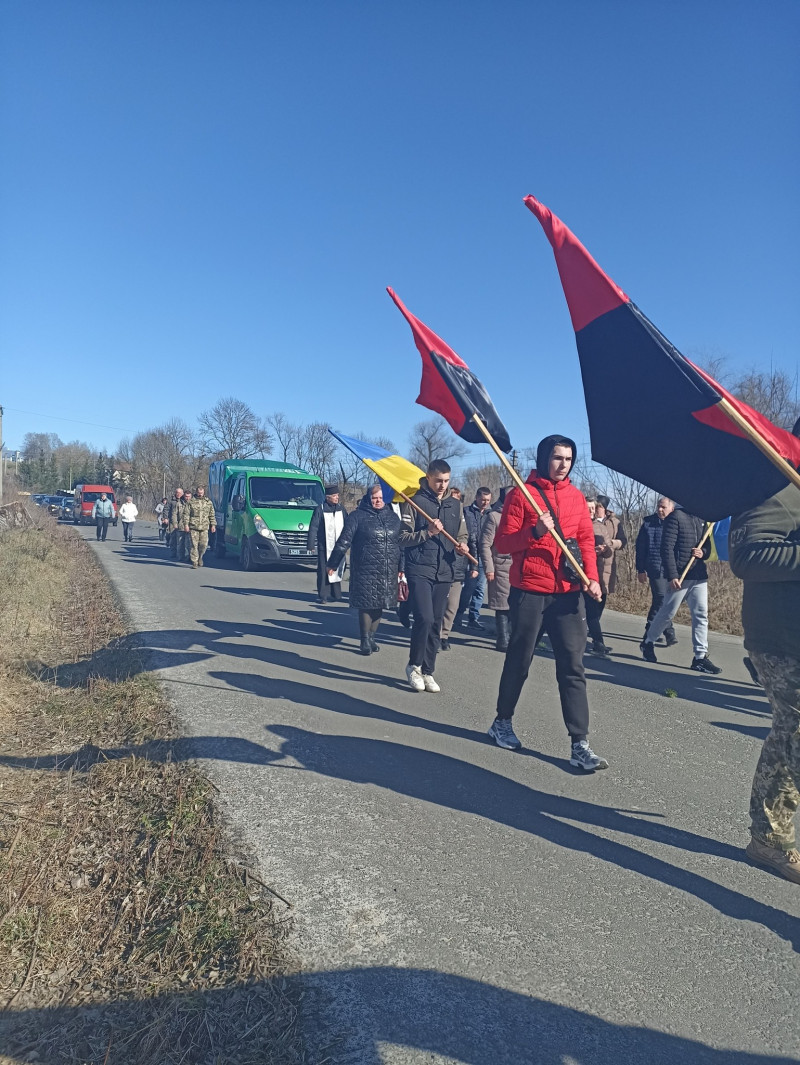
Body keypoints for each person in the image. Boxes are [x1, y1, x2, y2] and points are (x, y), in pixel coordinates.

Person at [486, 435, 608, 771]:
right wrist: (536, 531)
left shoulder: (577, 497)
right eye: (557, 458)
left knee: (573, 665)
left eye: (568, 459)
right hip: (530, 591)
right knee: (520, 660)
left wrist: (592, 578)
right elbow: (503, 544)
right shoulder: (520, 496)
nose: (563, 464)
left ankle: (579, 743)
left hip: (568, 593)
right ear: (543, 459)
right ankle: (502, 721)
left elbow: (584, 540)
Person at [730, 417, 800, 884]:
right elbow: (747, 556)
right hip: (782, 640)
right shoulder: (773, 486)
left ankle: (769, 837)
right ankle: (771, 839)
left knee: (789, 734)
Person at [399, 460, 469, 692]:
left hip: (445, 570)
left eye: (447, 480)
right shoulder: (414, 502)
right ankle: (414, 666)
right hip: (419, 568)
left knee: (437, 621)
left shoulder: (455, 505)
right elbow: (402, 538)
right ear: (428, 477)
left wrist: (463, 546)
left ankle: (428, 671)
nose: (442, 485)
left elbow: (463, 533)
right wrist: (427, 533)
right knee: (425, 618)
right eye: (438, 480)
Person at [640, 507, 721, 673]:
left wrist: (703, 552)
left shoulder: (702, 517)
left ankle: (700, 657)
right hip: (680, 575)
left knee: (701, 614)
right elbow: (666, 548)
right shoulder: (676, 516)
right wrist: (672, 575)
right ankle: (648, 642)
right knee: (667, 612)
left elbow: (707, 547)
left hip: (698, 574)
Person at [326, 484, 404, 655]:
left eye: (381, 498)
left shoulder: (393, 518)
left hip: (387, 570)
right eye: (375, 497)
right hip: (365, 568)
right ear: (369, 498)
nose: (378, 501)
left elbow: (401, 544)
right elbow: (344, 541)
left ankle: (372, 637)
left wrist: (402, 567)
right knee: (367, 605)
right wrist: (333, 563)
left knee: (380, 605)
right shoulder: (357, 517)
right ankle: (364, 639)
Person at [585, 495, 626, 656]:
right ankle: (598, 642)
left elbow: (609, 548)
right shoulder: (577, 523)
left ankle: (596, 641)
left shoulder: (601, 526)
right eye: (588, 508)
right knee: (590, 609)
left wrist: (604, 550)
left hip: (600, 571)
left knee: (595, 607)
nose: (591, 511)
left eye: (593, 508)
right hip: (581, 573)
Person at [635, 497, 678, 649]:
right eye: (659, 506)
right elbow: (640, 548)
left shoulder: (675, 522)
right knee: (660, 598)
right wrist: (640, 569)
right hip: (655, 567)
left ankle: (655, 629)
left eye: (663, 507)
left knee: (666, 601)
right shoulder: (648, 523)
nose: (660, 509)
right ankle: (662, 632)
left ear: (671, 509)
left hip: (672, 569)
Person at [455, 487, 493, 631]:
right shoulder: (467, 512)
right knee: (468, 588)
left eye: (488, 500)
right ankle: (458, 614)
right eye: (483, 500)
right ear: (477, 498)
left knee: (480, 589)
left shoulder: (490, 514)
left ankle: (473, 617)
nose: (485, 503)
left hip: (484, 555)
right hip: (469, 555)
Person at [480, 487, 513, 652]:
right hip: (500, 565)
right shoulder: (493, 517)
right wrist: (489, 568)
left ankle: (512, 636)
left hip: (516, 566)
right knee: (502, 605)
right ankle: (503, 639)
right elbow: (485, 544)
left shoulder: (518, 516)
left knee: (515, 604)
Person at [307, 485, 347, 603]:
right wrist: (310, 544)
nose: (337, 498)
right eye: (334, 496)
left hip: (338, 546)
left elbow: (348, 525)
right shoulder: (320, 509)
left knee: (337, 568)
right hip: (324, 546)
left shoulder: (341, 509)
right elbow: (313, 527)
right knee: (323, 570)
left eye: (337, 496)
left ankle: (336, 594)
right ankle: (323, 595)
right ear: (328, 497)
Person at [184, 485, 216, 568]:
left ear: (204, 492)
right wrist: (186, 525)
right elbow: (186, 514)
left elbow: (212, 515)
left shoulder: (208, 502)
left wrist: (213, 525)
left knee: (203, 545)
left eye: (201, 493)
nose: (200, 494)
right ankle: (194, 562)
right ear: (196, 492)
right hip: (193, 527)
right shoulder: (191, 502)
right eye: (199, 493)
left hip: (204, 527)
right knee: (194, 545)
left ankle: (200, 557)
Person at [167, 488, 185, 558]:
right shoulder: (172, 501)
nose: (178, 494)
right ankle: (173, 551)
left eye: (180, 493)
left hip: (182, 521)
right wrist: (165, 518)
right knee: (173, 537)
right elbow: (167, 509)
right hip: (172, 521)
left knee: (181, 538)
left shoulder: (184, 500)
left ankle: (181, 552)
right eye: (177, 492)